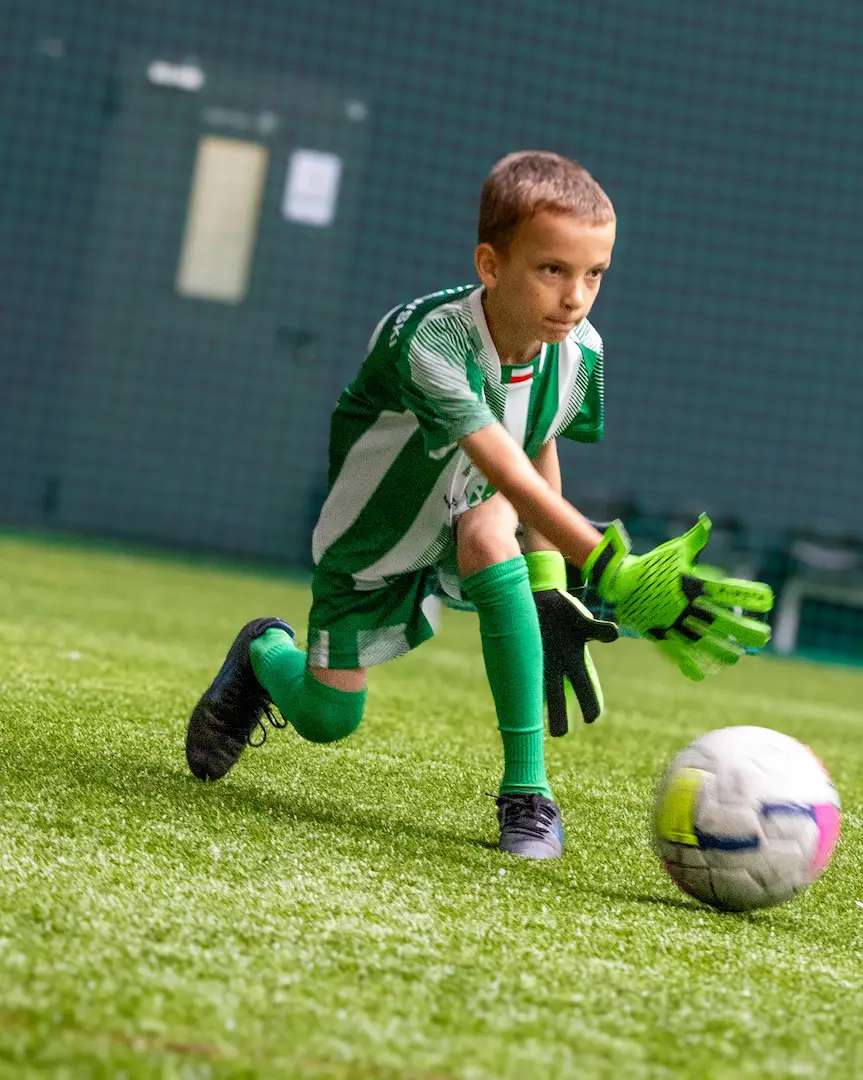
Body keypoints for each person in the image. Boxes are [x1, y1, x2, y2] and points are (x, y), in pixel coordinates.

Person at [184, 150, 773, 859]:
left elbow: (538, 443)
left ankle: (528, 797)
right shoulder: (429, 338)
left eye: (594, 274)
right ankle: (263, 651)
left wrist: (550, 583)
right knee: (329, 716)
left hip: (474, 502)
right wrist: (610, 569)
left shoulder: (582, 352)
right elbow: (504, 462)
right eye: (552, 269)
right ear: (490, 266)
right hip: (382, 527)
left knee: (491, 535)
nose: (576, 296)